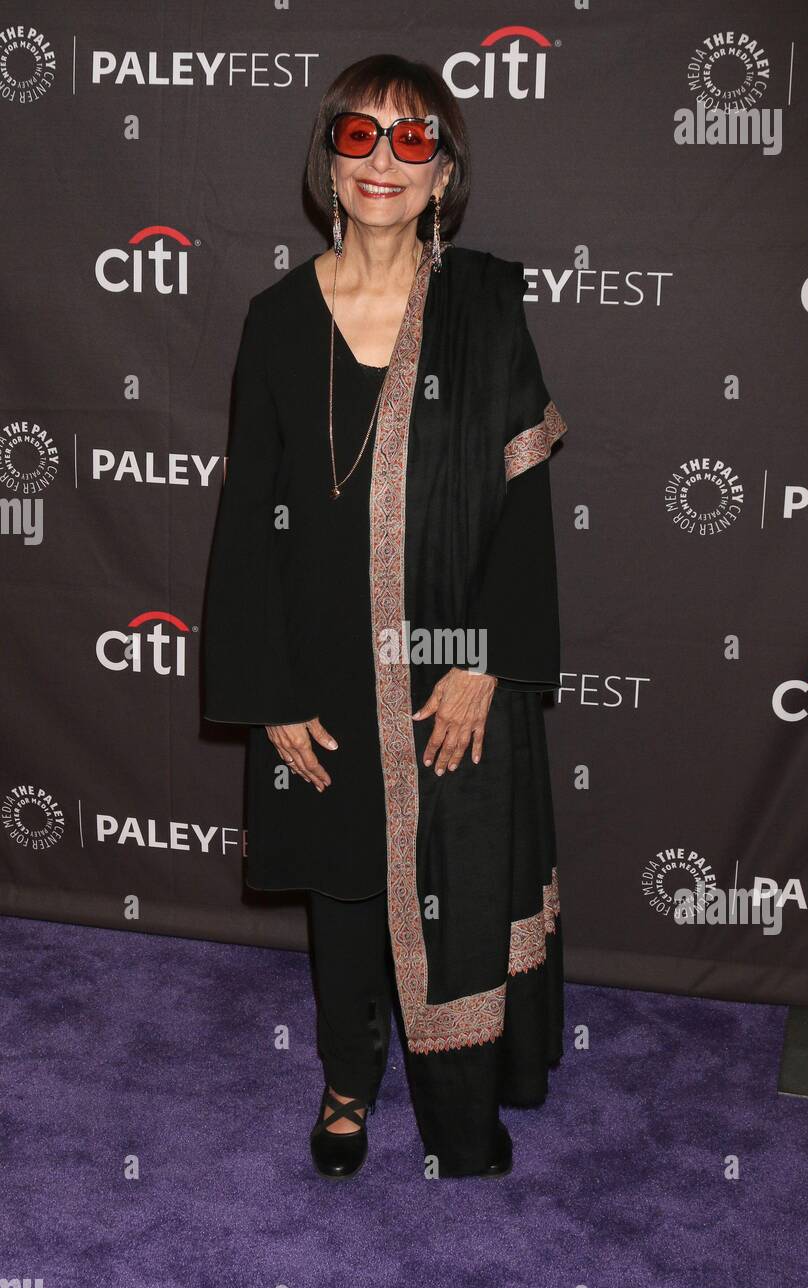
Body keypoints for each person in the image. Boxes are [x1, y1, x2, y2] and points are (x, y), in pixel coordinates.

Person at [202, 53, 568, 1180]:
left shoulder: (483, 307)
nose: (380, 161)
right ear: (328, 155)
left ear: (443, 172)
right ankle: (345, 1083)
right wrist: (266, 696)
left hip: (440, 661)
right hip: (316, 662)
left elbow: (521, 508)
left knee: (455, 877)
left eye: (411, 141)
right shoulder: (273, 318)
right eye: (357, 135)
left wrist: (481, 665)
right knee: (345, 887)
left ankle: (466, 1095)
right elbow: (244, 515)